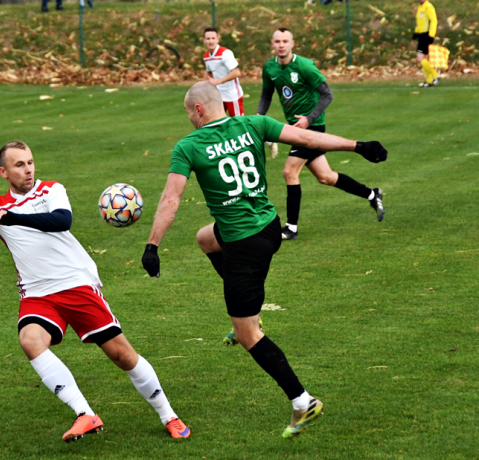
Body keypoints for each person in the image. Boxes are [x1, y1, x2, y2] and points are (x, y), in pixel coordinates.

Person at [141, 81, 388, 438]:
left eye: (186, 111)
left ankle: (302, 401)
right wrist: (357, 146)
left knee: (247, 335)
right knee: (205, 238)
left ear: (197, 109)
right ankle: (249, 312)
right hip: (270, 227)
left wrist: (152, 245)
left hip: (245, 244)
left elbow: (170, 200)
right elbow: (308, 140)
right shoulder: (254, 123)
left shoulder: (188, 146)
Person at [0, 140, 190, 442]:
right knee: (30, 340)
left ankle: (169, 415)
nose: (28, 170)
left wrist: (14, 217)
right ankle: (85, 413)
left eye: (30, 162)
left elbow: (62, 221)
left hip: (75, 284)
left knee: (122, 356)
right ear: (3, 172)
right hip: (36, 293)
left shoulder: (50, 190)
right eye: (19, 165)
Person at [258, 28, 385, 241]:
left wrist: (309, 118)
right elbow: (265, 95)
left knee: (290, 172)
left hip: (313, 127)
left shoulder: (305, 66)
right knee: (326, 177)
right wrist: (258, 119)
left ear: (292, 44)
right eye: (277, 41)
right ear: (272, 44)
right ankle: (372, 194)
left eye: (285, 41)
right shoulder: (269, 68)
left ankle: (291, 228)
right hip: (296, 128)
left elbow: (327, 94)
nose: (281, 45)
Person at [202, 27, 279, 159]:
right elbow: (210, 72)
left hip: (232, 96)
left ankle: (268, 141)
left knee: (241, 126)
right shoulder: (206, 57)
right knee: (217, 123)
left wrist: (218, 81)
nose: (210, 41)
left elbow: (237, 72)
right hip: (219, 96)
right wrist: (209, 82)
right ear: (204, 40)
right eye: (208, 38)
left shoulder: (225, 53)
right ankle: (226, 152)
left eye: (213, 38)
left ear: (218, 39)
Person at [414, 0, 439, 87]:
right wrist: (416, 32)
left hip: (426, 35)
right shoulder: (421, 7)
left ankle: (436, 75)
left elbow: (434, 21)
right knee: (424, 58)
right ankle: (429, 81)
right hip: (421, 35)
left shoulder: (428, 6)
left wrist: (431, 35)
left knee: (420, 58)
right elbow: (420, 22)